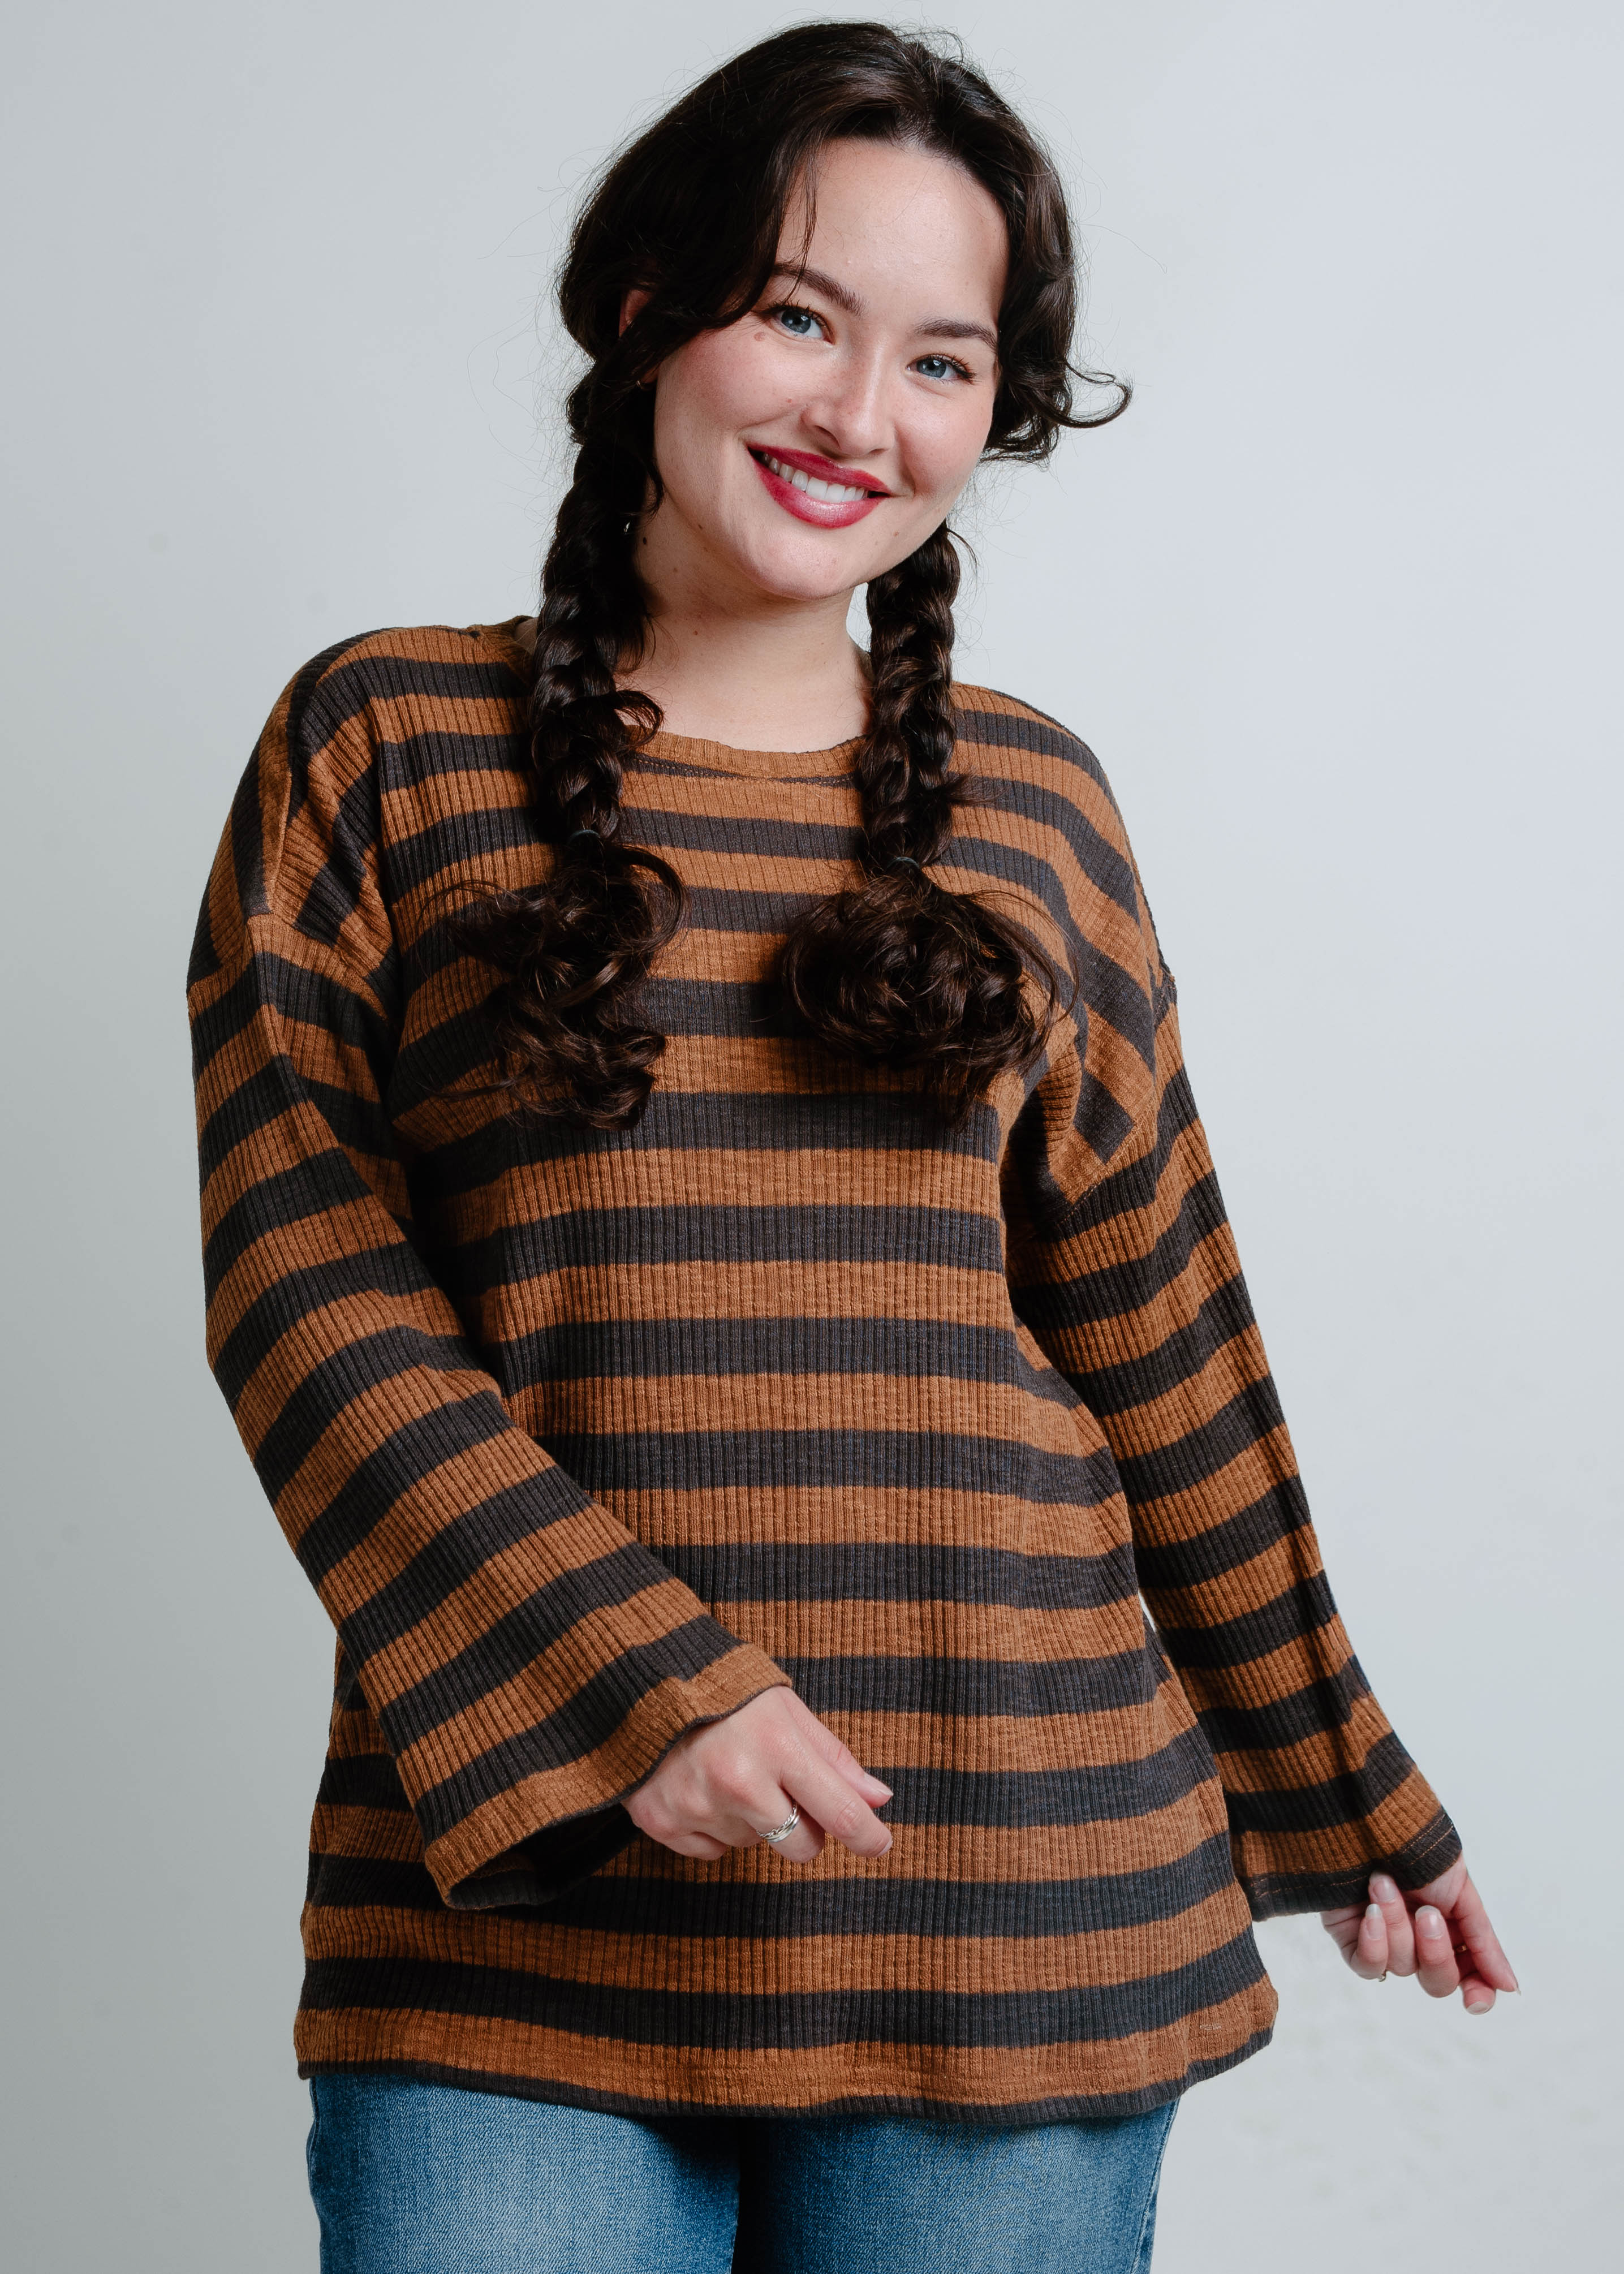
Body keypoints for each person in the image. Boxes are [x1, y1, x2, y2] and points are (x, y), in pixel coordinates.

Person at [186, 21, 1515, 2272]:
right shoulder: (383, 741)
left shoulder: (1034, 806)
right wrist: (643, 1684)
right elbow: (300, 1280)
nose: (857, 415)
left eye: (941, 361)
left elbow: (1159, 1328)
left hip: (1013, 1905)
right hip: (514, 1928)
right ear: (648, 308)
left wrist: (1341, 1774)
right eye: (799, 315)